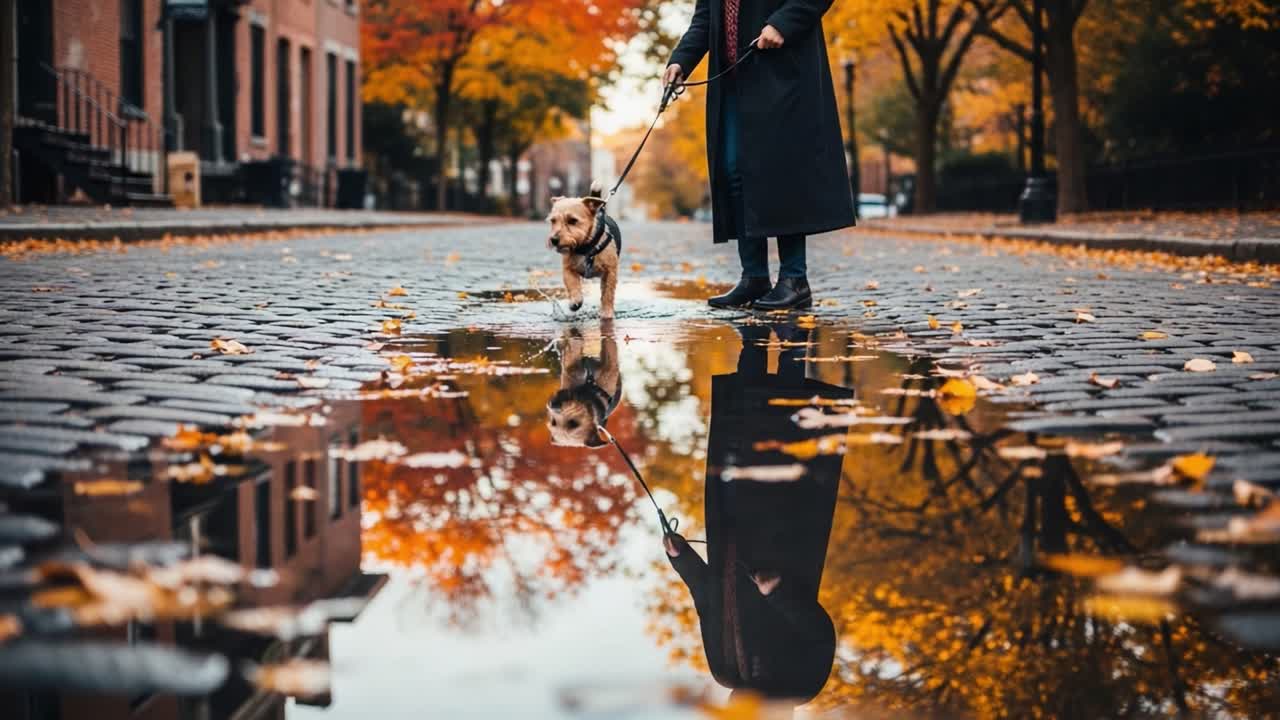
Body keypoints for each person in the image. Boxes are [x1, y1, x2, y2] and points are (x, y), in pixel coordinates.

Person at [662, 323, 848, 705]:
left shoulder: (724, 672)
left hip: (732, 526)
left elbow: (706, 599)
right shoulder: (802, 686)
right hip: (789, 528)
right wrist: (777, 592)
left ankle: (753, 334)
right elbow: (819, 633)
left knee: (740, 423)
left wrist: (680, 557)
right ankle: (795, 335)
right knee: (789, 421)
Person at [665, 0, 855, 311]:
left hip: (783, 76)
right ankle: (754, 277)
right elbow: (705, 19)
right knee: (733, 171)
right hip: (733, 82)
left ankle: (795, 279)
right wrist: (681, 60)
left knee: (781, 173)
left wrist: (783, 23)